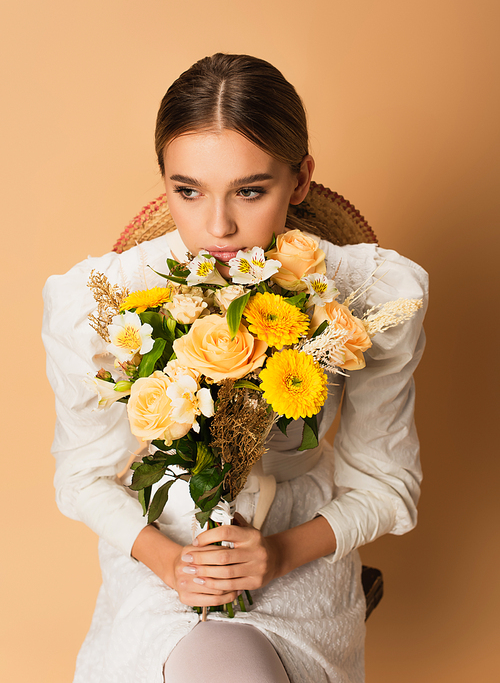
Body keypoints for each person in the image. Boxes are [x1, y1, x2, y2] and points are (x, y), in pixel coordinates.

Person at [42, 53, 428, 683]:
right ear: (163, 180)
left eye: (250, 190)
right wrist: (171, 563)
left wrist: (278, 554)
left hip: (300, 547)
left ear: (300, 180)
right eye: (188, 190)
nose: (218, 226)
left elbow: (388, 485)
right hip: (157, 556)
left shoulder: (368, 294)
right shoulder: (101, 303)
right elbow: (83, 477)